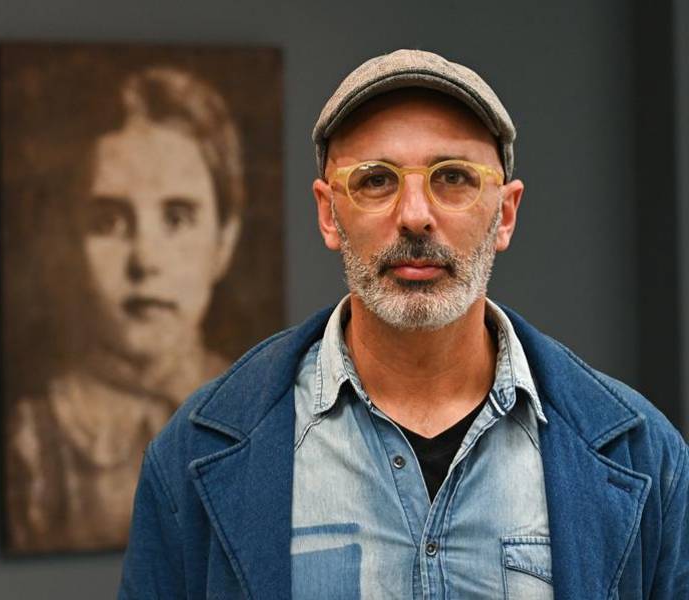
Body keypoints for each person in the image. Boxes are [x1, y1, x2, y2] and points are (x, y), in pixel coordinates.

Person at [118, 50, 689, 598]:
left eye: (454, 178)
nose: (415, 215)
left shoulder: (643, 457)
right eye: (375, 180)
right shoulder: (192, 456)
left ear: (506, 214)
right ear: (328, 214)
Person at [6, 66, 244, 552]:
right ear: (69, 242)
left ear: (224, 240)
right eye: (109, 221)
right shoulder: (31, 443)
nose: (145, 260)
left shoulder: (264, 418)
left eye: (177, 218)